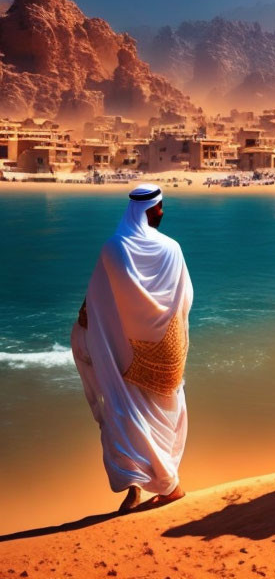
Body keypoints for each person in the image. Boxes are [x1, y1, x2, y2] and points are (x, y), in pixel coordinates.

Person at [72, 184, 193, 513]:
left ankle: (144, 484)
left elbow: (96, 302)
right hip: (165, 348)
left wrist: (85, 333)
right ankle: (164, 484)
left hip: (123, 351)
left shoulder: (113, 249)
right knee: (161, 413)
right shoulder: (173, 249)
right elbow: (184, 300)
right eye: (159, 207)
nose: (162, 212)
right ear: (150, 209)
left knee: (127, 413)